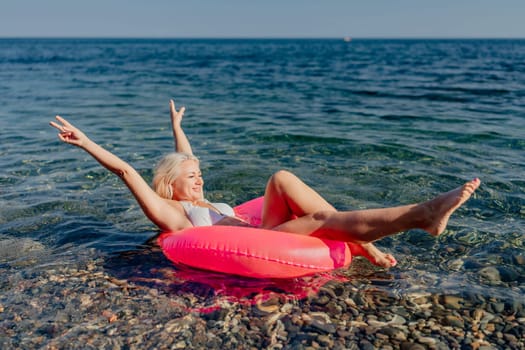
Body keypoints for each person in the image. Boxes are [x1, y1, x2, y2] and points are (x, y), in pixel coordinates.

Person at [50, 100, 480, 269]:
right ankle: (421, 216)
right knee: (319, 218)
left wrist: (176, 127)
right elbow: (128, 172)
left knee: (281, 177)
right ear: (169, 185)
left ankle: (367, 243)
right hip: (263, 240)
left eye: (199, 171)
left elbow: (187, 159)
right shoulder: (172, 215)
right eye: (191, 175)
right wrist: (86, 141)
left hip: (262, 231)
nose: (199, 175)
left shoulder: (202, 197)